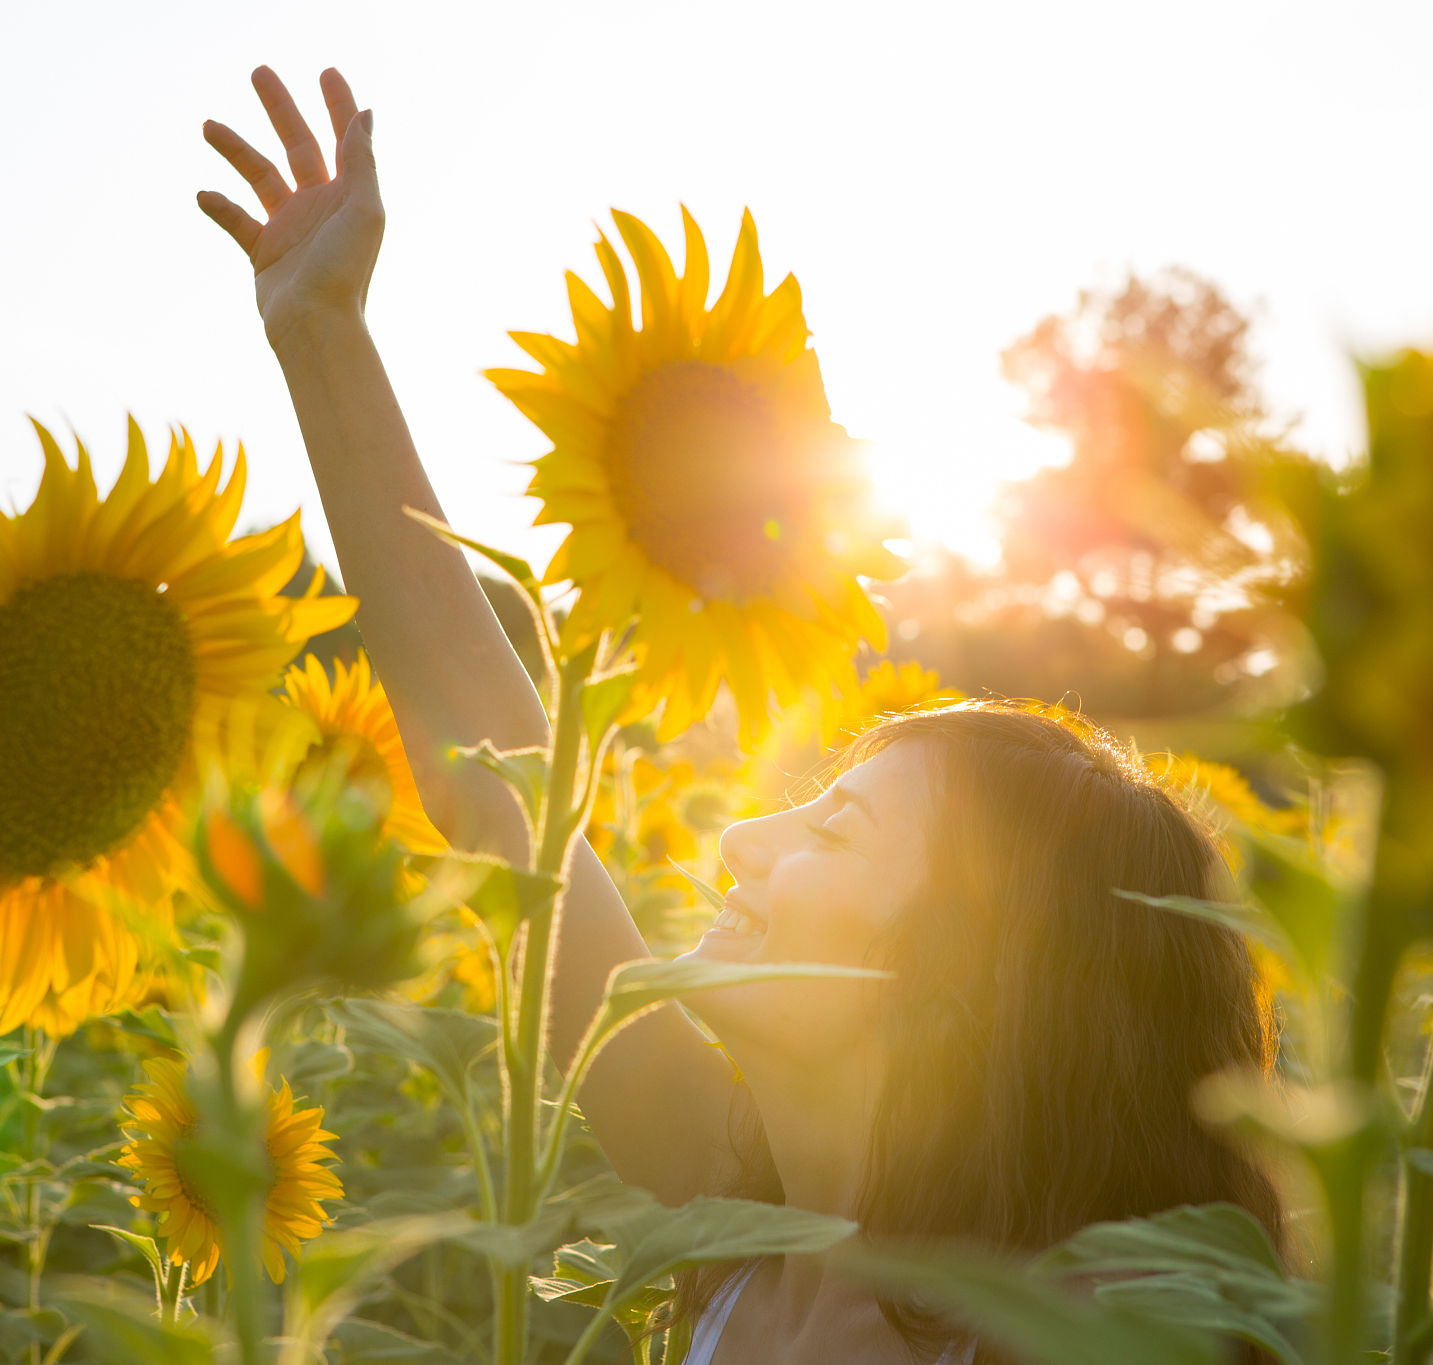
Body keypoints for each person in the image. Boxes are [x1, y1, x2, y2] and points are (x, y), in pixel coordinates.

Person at [196, 66, 1284, 1364]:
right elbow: (495, 780)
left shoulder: (1077, 1323)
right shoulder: (735, 1206)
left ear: (970, 979)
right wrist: (321, 332)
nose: (739, 843)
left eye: (829, 838)